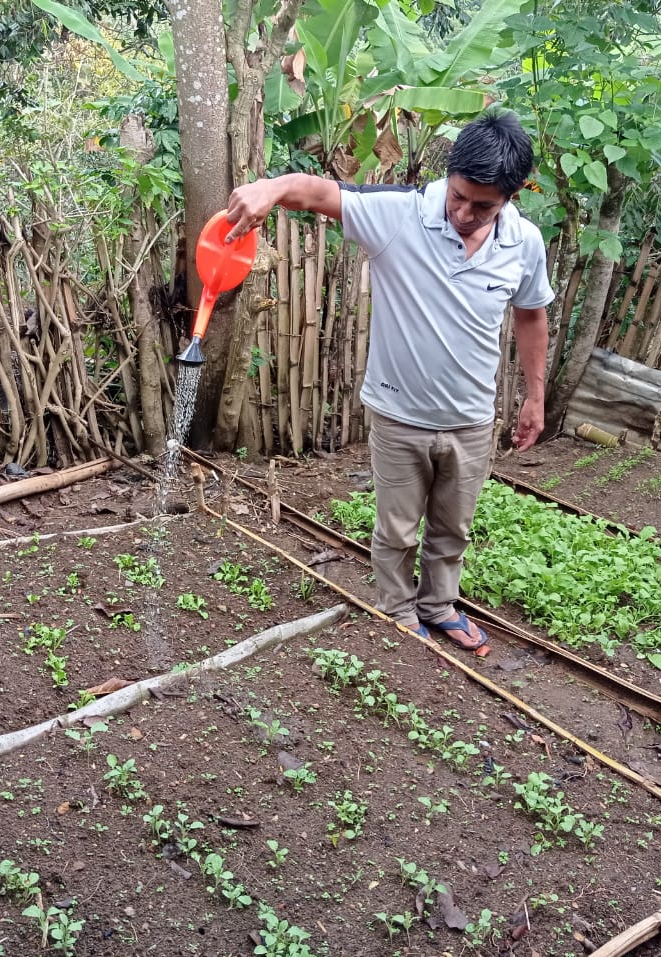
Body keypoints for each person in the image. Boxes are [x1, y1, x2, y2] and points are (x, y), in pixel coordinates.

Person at [224, 109, 552, 654]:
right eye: (458, 196)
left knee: (453, 530)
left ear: (513, 196)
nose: (465, 212)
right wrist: (270, 188)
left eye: (483, 205)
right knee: (397, 529)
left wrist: (534, 396)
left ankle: (439, 606)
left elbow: (531, 315)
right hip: (400, 416)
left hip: (472, 418)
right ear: (448, 177)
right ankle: (398, 609)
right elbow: (316, 193)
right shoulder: (399, 215)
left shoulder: (526, 243)